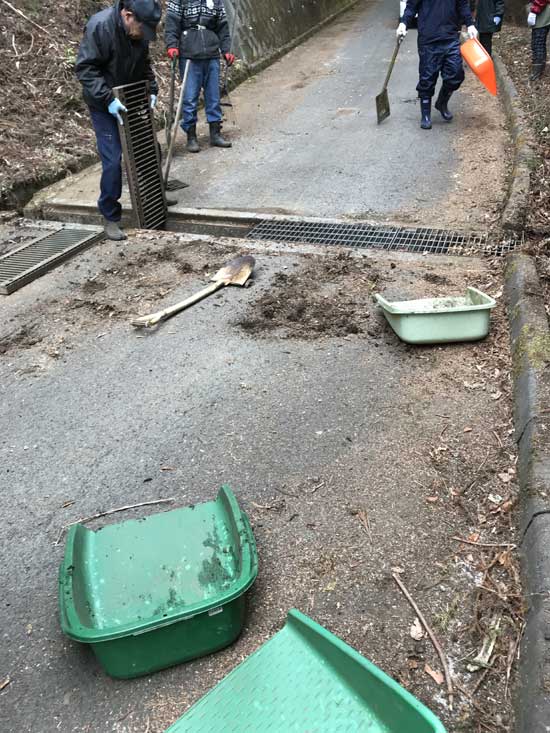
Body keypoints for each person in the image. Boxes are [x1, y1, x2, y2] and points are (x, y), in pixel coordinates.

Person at [76, 0, 162, 241]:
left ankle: (154, 195)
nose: (144, 35)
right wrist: (107, 99)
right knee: (113, 160)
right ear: (127, 15)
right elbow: (85, 69)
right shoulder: (100, 27)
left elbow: (145, 64)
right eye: (142, 28)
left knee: (148, 148)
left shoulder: (139, 31)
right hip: (105, 103)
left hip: (131, 95)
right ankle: (110, 216)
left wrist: (152, 89)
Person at [165, 0, 235, 153]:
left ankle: (215, 133)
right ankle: (191, 137)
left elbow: (223, 26)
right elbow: (171, 23)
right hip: (189, 55)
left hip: (211, 54)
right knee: (189, 97)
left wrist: (226, 49)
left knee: (214, 96)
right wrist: (171, 45)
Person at [397, 1, 479, 130]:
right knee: (427, 77)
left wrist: (470, 24)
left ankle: (441, 102)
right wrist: (403, 23)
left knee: (456, 74)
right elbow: (411, 6)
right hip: (428, 39)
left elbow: (462, 4)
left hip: (450, 37)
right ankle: (425, 115)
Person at [528, 0, 550, 80]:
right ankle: (539, 70)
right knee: (539, 43)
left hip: (542, 10)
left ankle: (536, 73)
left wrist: (534, 10)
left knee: (538, 43)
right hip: (542, 9)